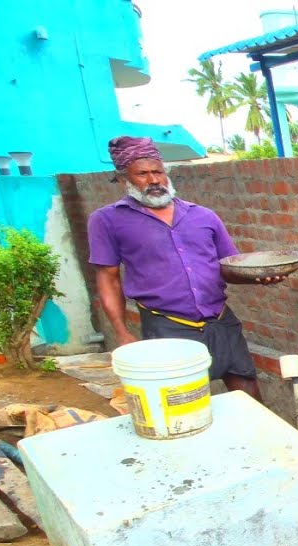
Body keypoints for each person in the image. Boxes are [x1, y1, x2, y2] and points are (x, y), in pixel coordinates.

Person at [87, 136, 281, 402]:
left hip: (220, 320)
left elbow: (230, 267)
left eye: (158, 172)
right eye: (142, 174)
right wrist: (122, 332)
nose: (153, 180)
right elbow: (108, 278)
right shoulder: (108, 220)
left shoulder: (203, 216)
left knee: (249, 395)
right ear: (123, 179)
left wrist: (259, 277)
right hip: (168, 326)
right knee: (184, 402)